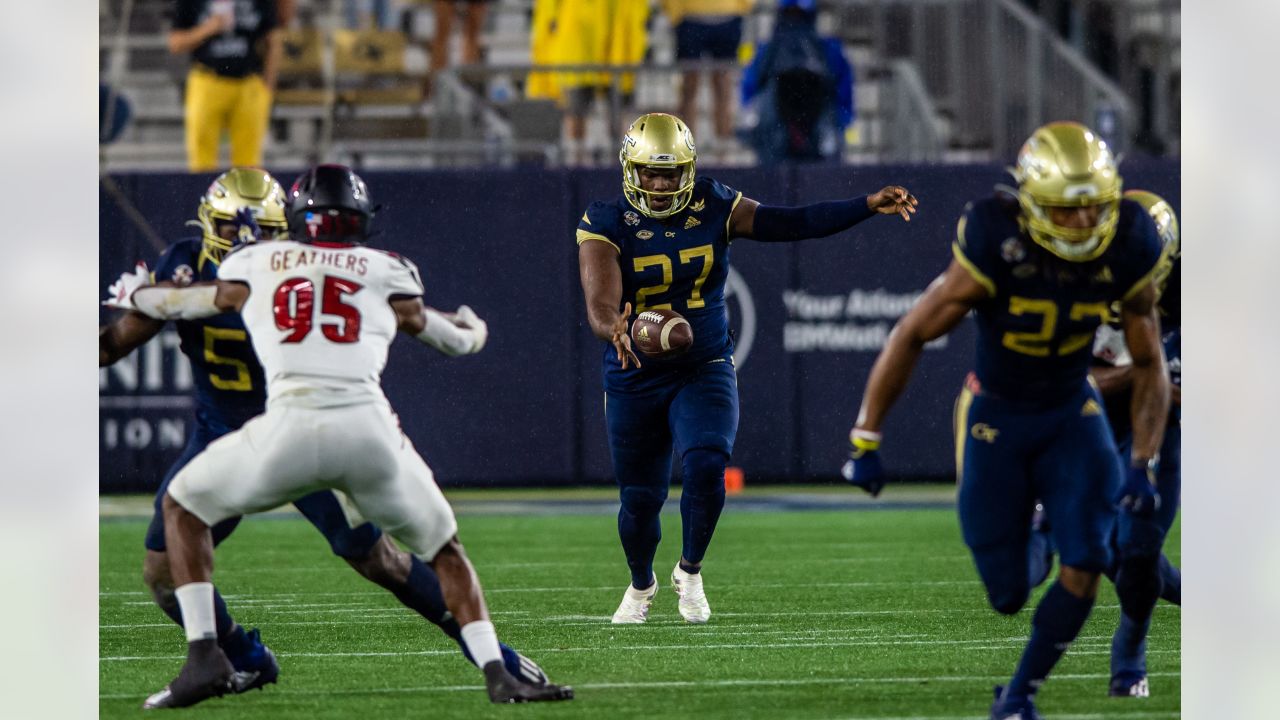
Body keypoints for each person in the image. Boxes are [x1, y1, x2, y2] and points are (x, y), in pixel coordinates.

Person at [100, 166, 568, 708]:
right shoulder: (197, 261)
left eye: (257, 230)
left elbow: (184, 302)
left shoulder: (269, 267)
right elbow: (115, 342)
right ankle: (242, 658)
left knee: (380, 560)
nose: (243, 241)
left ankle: (495, 659)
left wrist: (150, 295)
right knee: (161, 571)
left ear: (287, 228)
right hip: (228, 427)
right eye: (231, 229)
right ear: (207, 224)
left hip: (285, 421)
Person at [841, 121, 1171, 719]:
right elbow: (912, 331)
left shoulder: (1129, 241)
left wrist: (1143, 464)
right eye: (1065, 211)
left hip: (1073, 410)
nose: (1083, 223)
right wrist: (866, 435)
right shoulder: (997, 236)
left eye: (1095, 208)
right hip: (996, 417)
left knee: (1089, 562)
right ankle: (1040, 530)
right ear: (1031, 203)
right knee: (1007, 593)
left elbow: (1150, 363)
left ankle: (1018, 697)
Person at [576, 112, 916, 624]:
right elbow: (600, 303)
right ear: (631, 169)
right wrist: (616, 329)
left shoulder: (714, 204)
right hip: (634, 372)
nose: (663, 183)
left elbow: (792, 222)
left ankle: (689, 572)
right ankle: (641, 583)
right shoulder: (605, 221)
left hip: (703, 362)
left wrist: (865, 205)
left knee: (708, 462)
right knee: (641, 501)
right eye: (652, 172)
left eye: (672, 173)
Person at [1084, 190, 1182, 698]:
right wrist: (1142, 374)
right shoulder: (1084, 279)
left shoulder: (1192, 297)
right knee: (1103, 550)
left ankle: (1130, 659)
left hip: (1165, 430)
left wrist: (1148, 380)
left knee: (1138, 552)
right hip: (1097, 427)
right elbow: (1069, 378)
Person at [168, 0, 283, 172]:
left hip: (248, 82)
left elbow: (273, 40)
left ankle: (246, 198)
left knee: (249, 164)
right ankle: (206, 196)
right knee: (202, 159)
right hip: (208, 80)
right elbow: (175, 43)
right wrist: (208, 29)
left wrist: (268, 87)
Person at [740, 0, 853, 163]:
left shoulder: (829, 49)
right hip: (776, 138)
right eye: (789, 14)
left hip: (819, 136)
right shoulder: (767, 50)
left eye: (799, 14)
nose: (794, 21)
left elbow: (844, 92)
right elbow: (750, 92)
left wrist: (839, 123)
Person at [662, 0, 752, 154]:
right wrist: (676, 13)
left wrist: (741, 8)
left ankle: (724, 151)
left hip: (727, 17)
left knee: (723, 85)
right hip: (690, 18)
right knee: (689, 86)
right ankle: (686, 150)